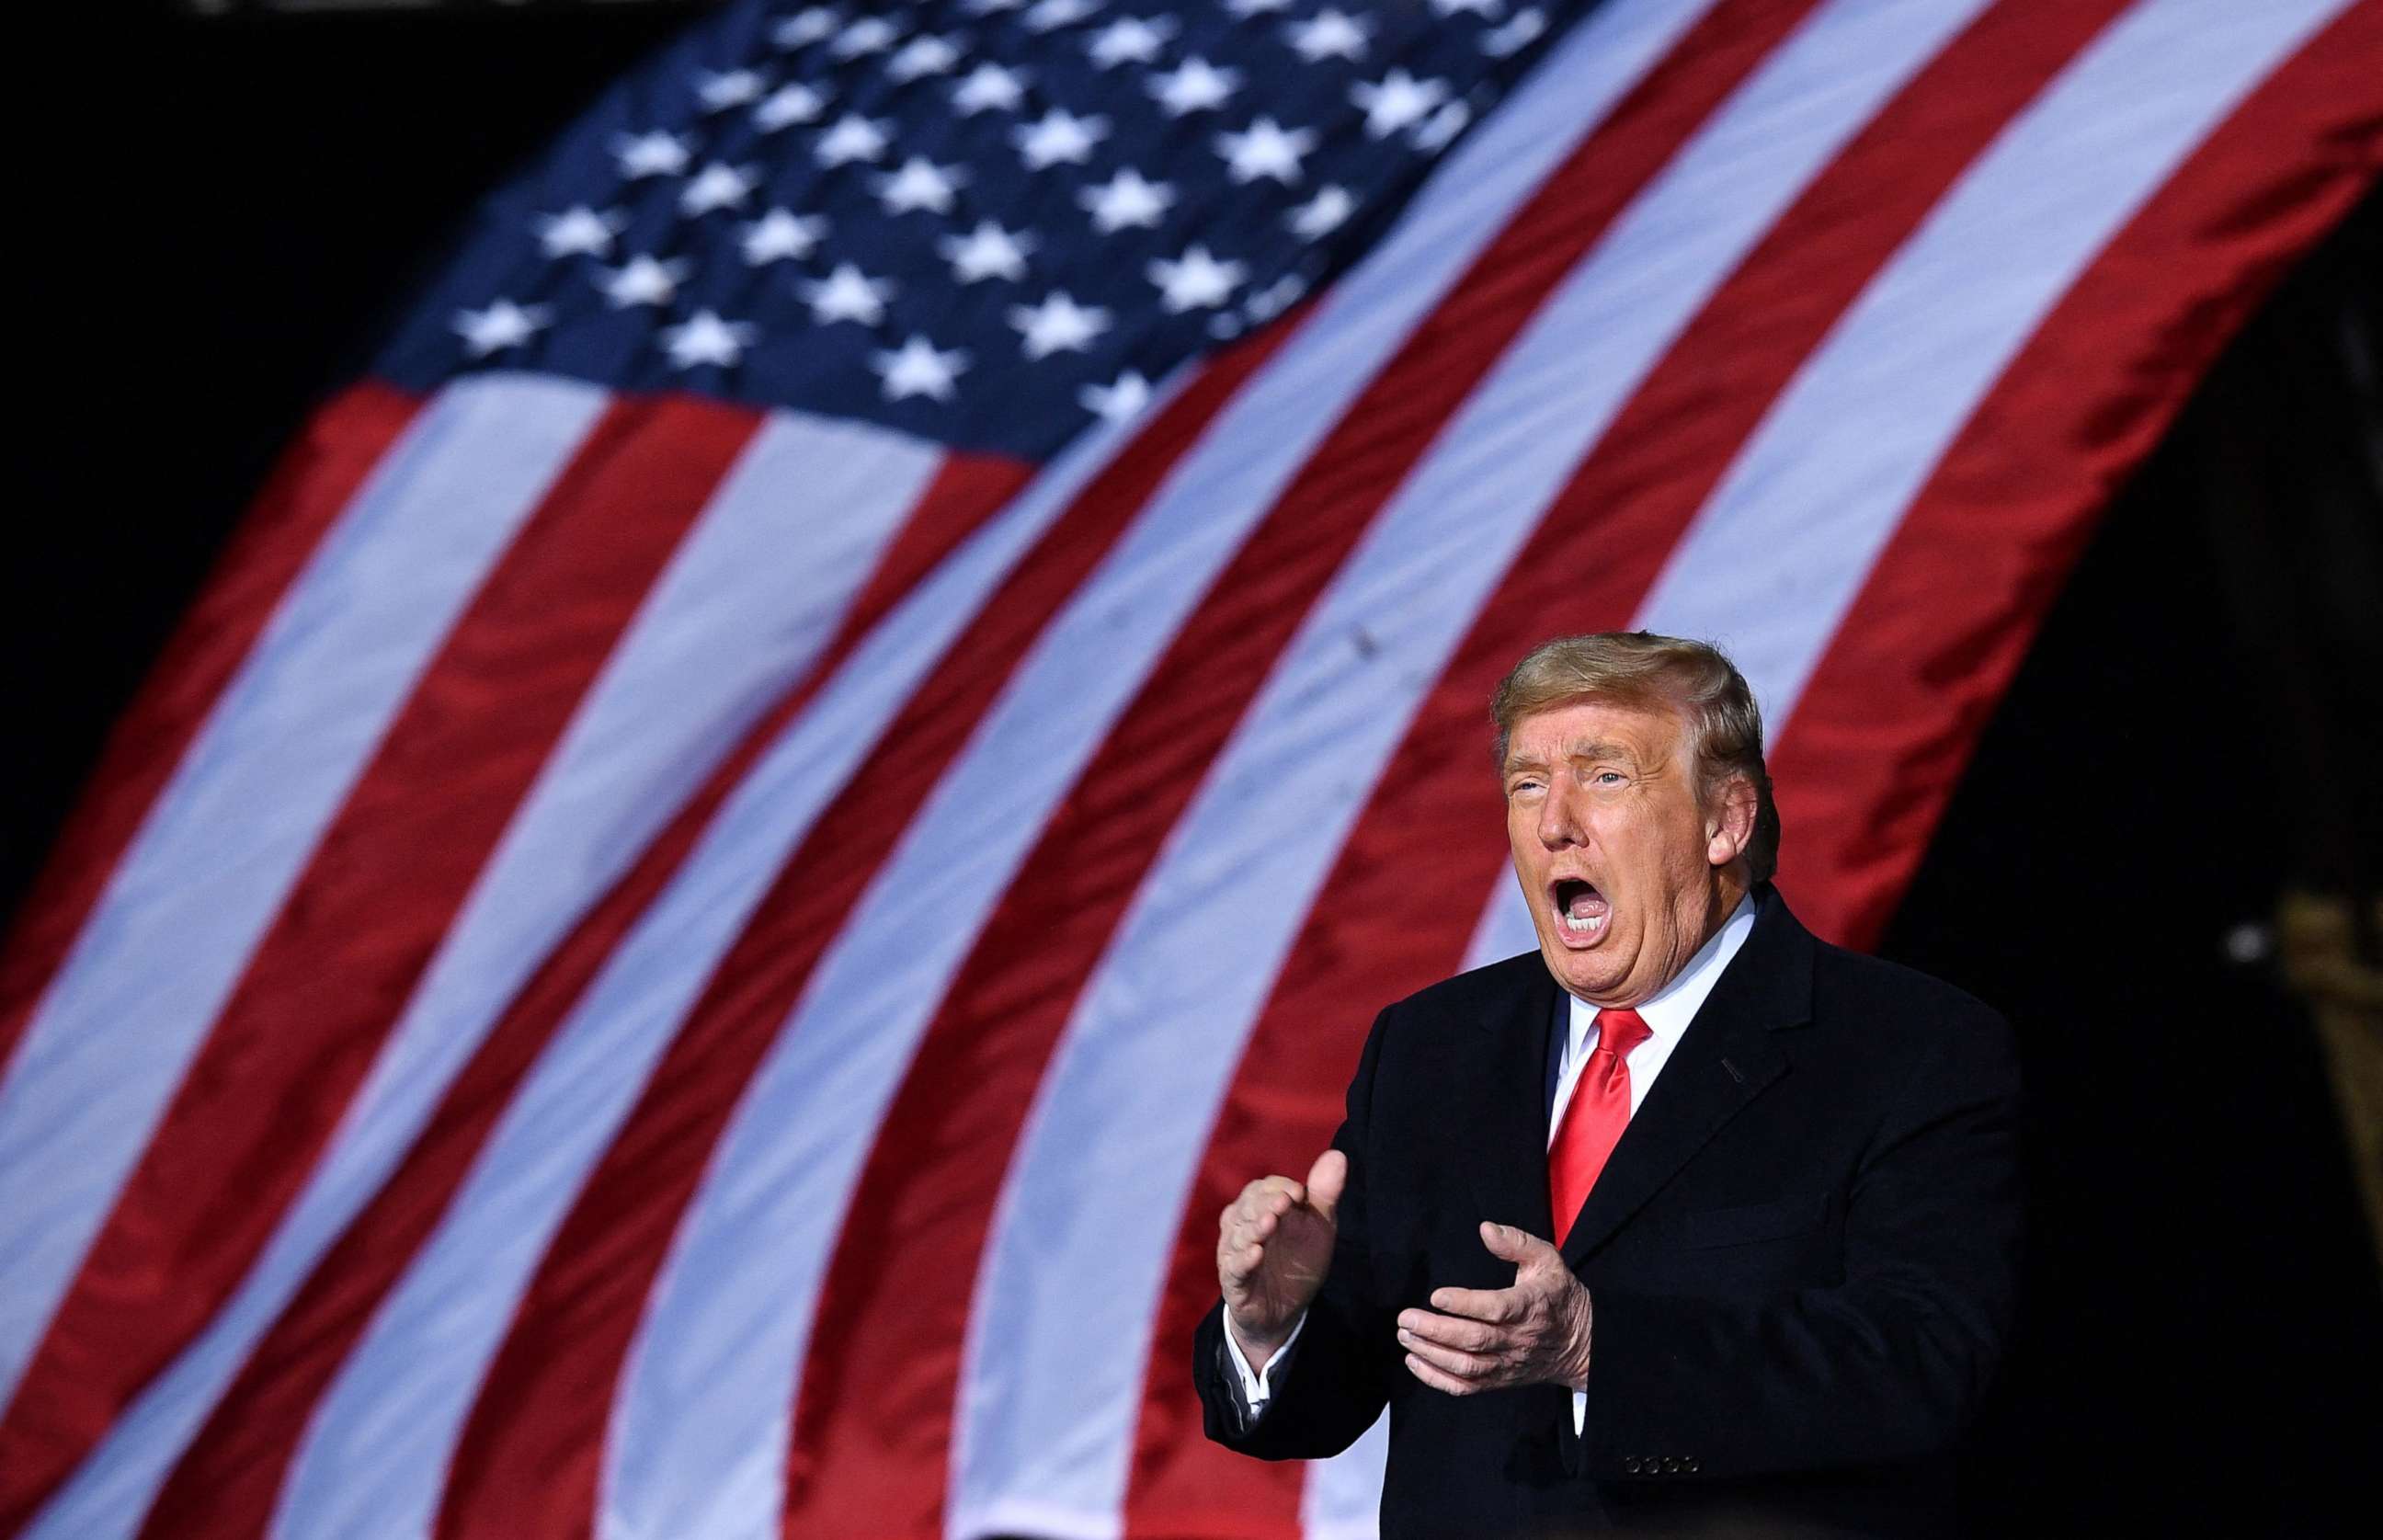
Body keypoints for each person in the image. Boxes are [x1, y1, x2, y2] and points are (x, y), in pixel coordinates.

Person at [1193, 633, 2021, 1537]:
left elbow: (1918, 1366)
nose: (1554, 823)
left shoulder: (1908, 1045)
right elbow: (1326, 1398)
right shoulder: (1429, 1048)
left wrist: (1600, 1354)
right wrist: (1273, 1327)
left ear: (1726, 821)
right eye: (1526, 784)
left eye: (1605, 776)